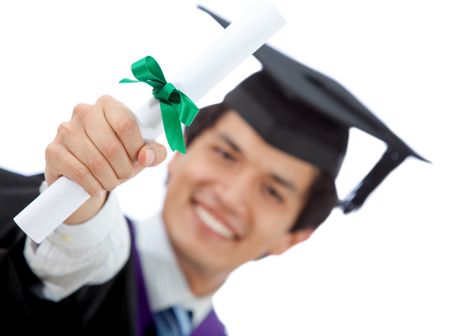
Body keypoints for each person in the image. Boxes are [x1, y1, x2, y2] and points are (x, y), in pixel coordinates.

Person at [0, 10, 427, 336]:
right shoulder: (86, 259)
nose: (231, 194)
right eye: (225, 154)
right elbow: (73, 257)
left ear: (294, 236)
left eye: (274, 192)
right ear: (180, 152)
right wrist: (80, 198)